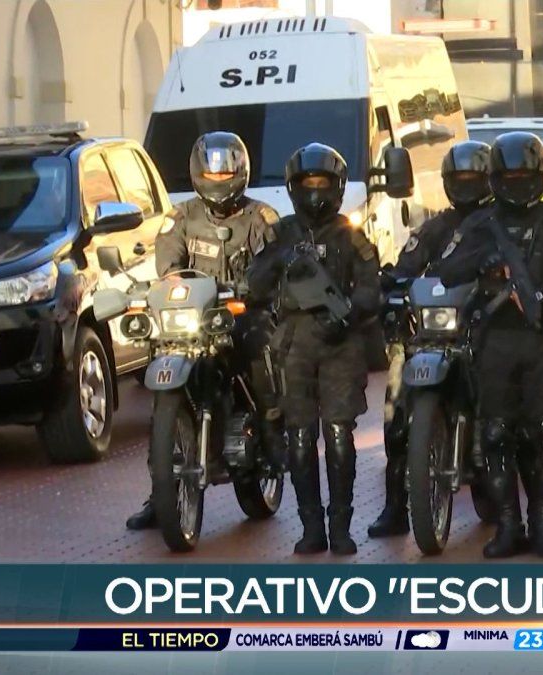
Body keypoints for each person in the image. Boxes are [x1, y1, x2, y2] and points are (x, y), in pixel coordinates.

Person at [438, 131, 543, 559]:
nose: (517, 182)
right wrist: (484, 262)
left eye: (525, 174)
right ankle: (508, 525)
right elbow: (448, 269)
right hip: (495, 339)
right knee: (495, 435)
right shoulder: (480, 223)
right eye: (508, 174)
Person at [126, 132, 282, 531]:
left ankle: (271, 432)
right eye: (212, 170)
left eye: (227, 169)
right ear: (197, 172)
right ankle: (161, 488)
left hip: (239, 313)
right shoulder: (180, 218)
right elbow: (169, 268)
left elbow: (275, 266)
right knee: (161, 382)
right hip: (192, 319)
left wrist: (258, 287)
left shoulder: (261, 218)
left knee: (258, 345)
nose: (219, 177)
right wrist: (156, 288)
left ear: (241, 171)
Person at [247, 143, 380, 556]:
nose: (316, 191)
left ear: (338, 187)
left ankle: (340, 526)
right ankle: (310, 528)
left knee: (339, 435)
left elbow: (372, 289)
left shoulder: (351, 235)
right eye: (308, 183)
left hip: (341, 344)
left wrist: (349, 315)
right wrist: (282, 259)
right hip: (293, 344)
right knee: (300, 438)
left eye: (324, 183)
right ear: (293, 187)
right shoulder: (280, 233)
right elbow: (254, 286)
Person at [367, 139, 493, 538]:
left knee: (506, 405)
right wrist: (386, 288)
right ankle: (394, 506)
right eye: (460, 178)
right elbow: (406, 266)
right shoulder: (436, 227)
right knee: (394, 410)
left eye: (474, 178)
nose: (467, 185)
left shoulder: (498, 227)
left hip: (479, 331)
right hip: (430, 336)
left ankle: (507, 502)